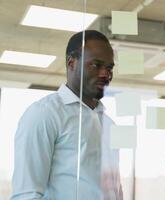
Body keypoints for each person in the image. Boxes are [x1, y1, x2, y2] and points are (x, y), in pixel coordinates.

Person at [11, 30, 123, 200]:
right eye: (96, 65)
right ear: (72, 63)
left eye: (109, 68)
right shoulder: (44, 114)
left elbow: (114, 189)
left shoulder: (109, 123)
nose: (105, 74)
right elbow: (26, 195)